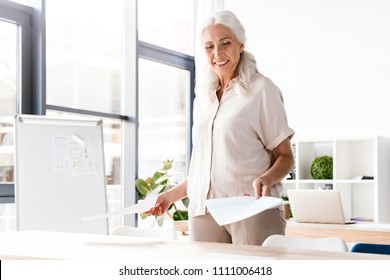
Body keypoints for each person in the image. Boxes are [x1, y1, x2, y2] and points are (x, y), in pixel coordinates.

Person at [145, 10, 295, 245]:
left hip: (250, 208)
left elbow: (285, 157)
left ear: (240, 44)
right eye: (209, 47)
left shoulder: (262, 90)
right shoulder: (203, 98)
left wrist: (266, 179)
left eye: (225, 43)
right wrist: (169, 197)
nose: (218, 53)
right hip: (204, 211)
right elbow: (203, 170)